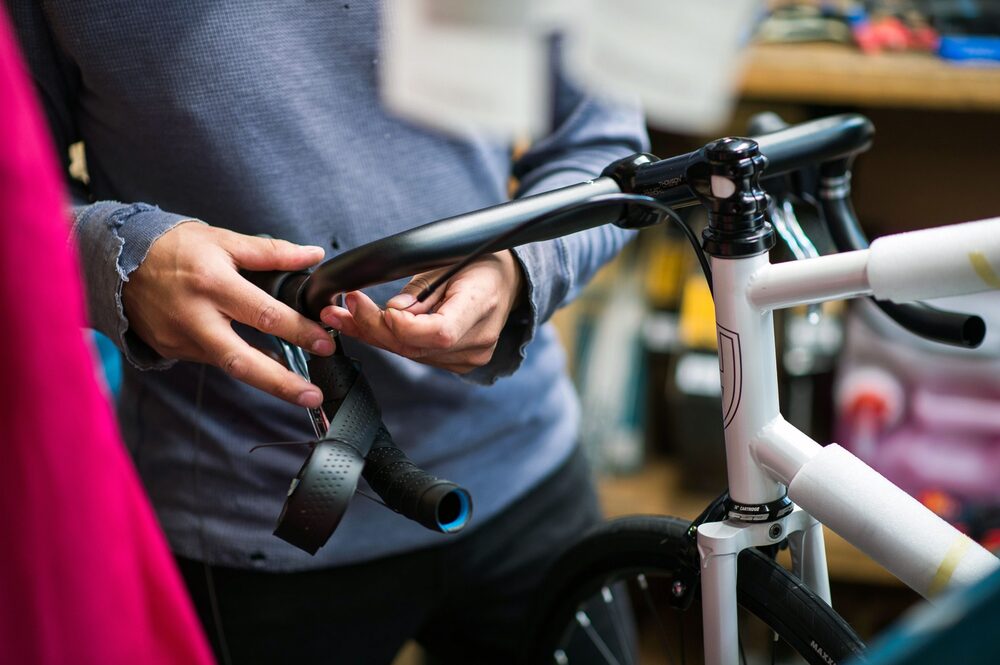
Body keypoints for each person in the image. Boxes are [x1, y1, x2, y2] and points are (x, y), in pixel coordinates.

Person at [8, 2, 647, 662]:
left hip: (522, 474)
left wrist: (524, 266)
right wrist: (123, 259)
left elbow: (604, 142)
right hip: (252, 528)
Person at [0, 7, 212, 663]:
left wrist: (524, 266)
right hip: (227, 509)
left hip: (522, 455)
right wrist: (120, 258)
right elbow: (23, 198)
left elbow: (543, 137)